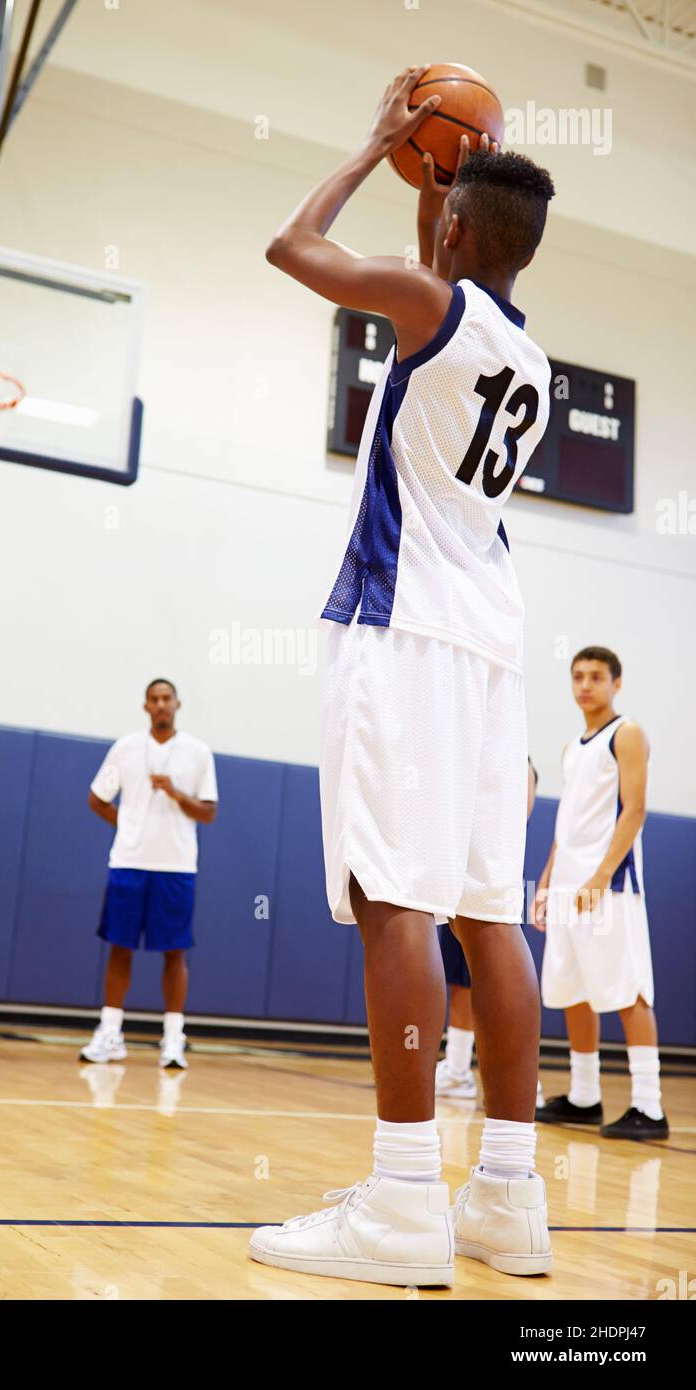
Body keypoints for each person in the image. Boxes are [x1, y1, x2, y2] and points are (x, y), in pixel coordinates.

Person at [250, 66, 555, 1287]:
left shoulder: (425, 307)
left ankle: (396, 1199)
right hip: (492, 644)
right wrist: (432, 178)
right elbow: (445, 261)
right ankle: (507, 1196)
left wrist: (373, 146)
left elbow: (290, 247)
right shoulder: (532, 364)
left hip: (402, 629)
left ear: (457, 230)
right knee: (488, 911)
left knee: (394, 900)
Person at [531, 647, 668, 1140]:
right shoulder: (572, 748)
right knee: (573, 989)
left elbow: (634, 811)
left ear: (617, 683)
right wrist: (547, 881)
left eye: (596, 677)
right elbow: (566, 825)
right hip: (570, 884)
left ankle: (649, 1107)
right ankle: (585, 1097)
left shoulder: (627, 734)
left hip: (609, 885)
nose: (585, 685)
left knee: (628, 987)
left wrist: (599, 878)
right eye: (578, 676)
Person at [81, 678, 218, 1070]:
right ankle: (110, 1036)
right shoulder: (125, 749)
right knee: (119, 947)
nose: (161, 705)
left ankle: (173, 1041)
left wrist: (176, 794)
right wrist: (126, 825)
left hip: (175, 866)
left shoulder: (197, 753)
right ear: (145, 707)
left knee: (175, 951)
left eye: (167, 699)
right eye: (154, 699)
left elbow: (209, 813)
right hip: (128, 862)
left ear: (178, 704)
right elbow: (96, 798)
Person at [437, 759, 542, 1104]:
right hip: (454, 882)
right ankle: (456, 1069)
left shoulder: (517, 762)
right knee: (458, 980)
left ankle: (518, 1076)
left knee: (494, 981)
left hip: (491, 884)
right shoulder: (459, 751)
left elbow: (514, 820)